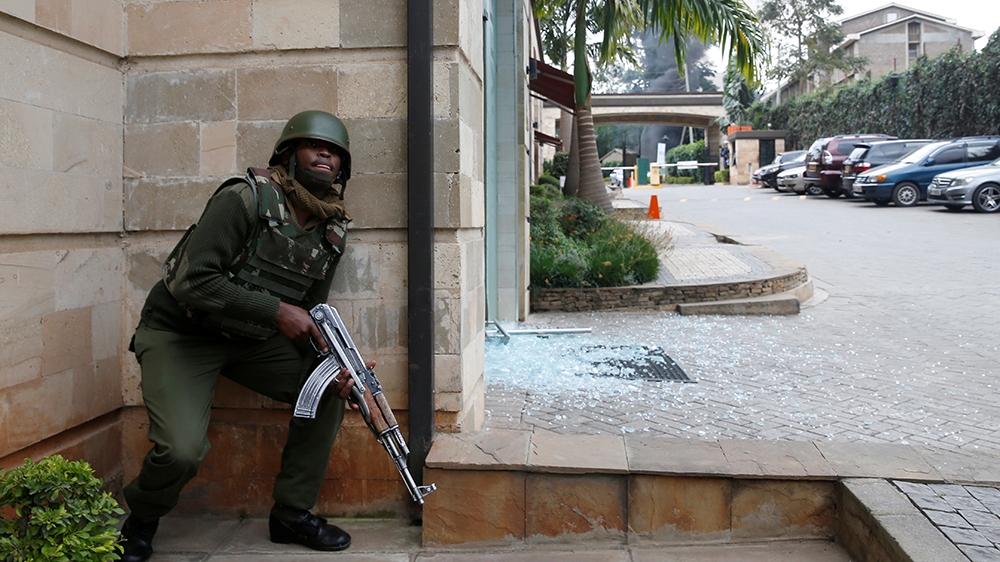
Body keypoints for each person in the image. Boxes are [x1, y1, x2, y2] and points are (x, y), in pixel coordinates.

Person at [119, 110, 364, 561]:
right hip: (181, 333)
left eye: (334, 151)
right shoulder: (244, 199)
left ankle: (291, 515)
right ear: (289, 155)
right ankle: (141, 518)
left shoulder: (332, 232)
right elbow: (192, 280)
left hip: (251, 341)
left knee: (328, 388)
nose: (325, 153)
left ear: (342, 169)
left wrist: (336, 362)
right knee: (181, 451)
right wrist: (275, 311)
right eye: (314, 145)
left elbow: (311, 313)